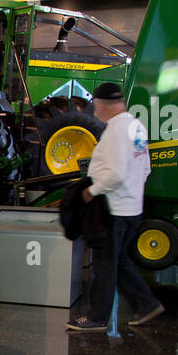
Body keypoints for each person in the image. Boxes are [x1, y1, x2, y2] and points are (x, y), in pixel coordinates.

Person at [67, 82, 165, 332]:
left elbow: (116, 174)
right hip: (132, 207)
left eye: (95, 107)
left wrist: (91, 191)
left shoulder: (115, 131)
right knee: (118, 261)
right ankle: (147, 304)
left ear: (101, 105)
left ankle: (96, 318)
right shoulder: (136, 126)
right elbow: (145, 168)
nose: (95, 112)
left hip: (113, 210)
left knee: (103, 266)